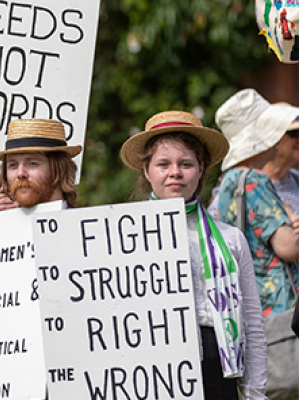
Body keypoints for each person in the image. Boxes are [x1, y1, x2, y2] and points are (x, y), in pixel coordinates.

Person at [120, 110, 267, 399]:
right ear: (146, 171)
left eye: (185, 163)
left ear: (200, 169)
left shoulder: (230, 238)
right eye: (163, 164)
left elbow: (251, 319)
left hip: (217, 370)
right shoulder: (123, 239)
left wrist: (255, 392)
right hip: (150, 369)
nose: (175, 172)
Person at [214, 89, 299, 317]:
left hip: (250, 308)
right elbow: (289, 247)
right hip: (281, 308)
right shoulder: (255, 180)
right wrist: (291, 220)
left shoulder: (225, 185)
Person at [0, 118, 81, 210]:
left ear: (60, 169)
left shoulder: (81, 223)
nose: (20, 173)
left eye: (32, 164)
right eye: (13, 165)